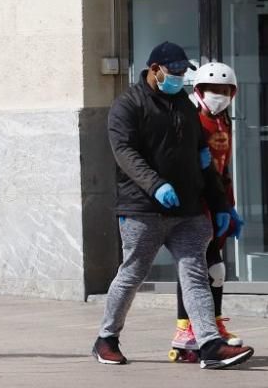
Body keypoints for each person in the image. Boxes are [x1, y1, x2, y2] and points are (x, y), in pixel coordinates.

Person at [93, 41, 255, 369]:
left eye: (183, 72)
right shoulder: (128, 105)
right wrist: (156, 185)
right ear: (155, 70)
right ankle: (106, 339)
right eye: (175, 72)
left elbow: (202, 157)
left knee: (196, 273)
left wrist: (220, 203)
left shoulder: (182, 103)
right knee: (133, 274)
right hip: (143, 209)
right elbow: (125, 153)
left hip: (188, 209)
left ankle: (208, 344)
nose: (180, 78)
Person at [172, 61, 245, 355]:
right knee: (194, 267)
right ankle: (184, 327)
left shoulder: (223, 120)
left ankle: (213, 324)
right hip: (195, 203)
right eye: (213, 90)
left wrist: (228, 204)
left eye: (225, 90)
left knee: (216, 269)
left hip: (218, 202)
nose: (219, 95)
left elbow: (223, 166)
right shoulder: (190, 118)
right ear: (199, 90)